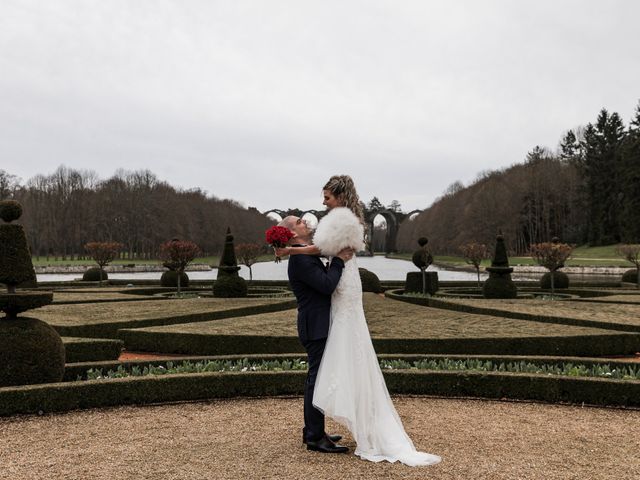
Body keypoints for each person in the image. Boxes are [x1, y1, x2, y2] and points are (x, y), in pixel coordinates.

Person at [277, 175, 441, 467]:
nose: (322, 203)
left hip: (344, 292)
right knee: (323, 370)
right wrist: (295, 251)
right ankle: (315, 433)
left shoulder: (342, 218)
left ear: (339, 196)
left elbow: (321, 249)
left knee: (330, 366)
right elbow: (323, 249)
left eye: (326, 197)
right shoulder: (339, 219)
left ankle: (315, 431)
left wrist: (290, 249)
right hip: (335, 298)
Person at [278, 214, 354, 454]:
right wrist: (340, 261)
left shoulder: (302, 253)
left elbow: (319, 254)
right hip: (315, 326)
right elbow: (326, 285)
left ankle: (314, 431)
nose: (305, 222)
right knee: (315, 380)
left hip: (317, 323)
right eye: (299, 222)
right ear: (292, 233)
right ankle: (314, 436)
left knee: (316, 379)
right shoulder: (300, 261)